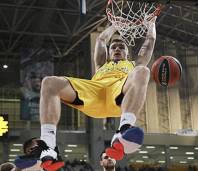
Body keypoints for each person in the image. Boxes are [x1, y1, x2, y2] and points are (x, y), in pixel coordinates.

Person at [21, 16, 157, 171]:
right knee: (49, 82)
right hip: (95, 92)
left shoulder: (133, 64)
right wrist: (115, 25)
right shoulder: (101, 64)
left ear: (127, 52)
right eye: (113, 47)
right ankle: (49, 146)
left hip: (119, 93)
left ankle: (124, 129)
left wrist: (151, 25)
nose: (117, 48)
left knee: (143, 71)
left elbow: (150, 41)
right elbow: (100, 40)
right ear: (109, 51)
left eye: (121, 46)